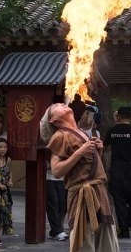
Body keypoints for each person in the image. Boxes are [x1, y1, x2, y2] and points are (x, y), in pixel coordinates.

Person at [43, 103, 118, 252]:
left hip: (99, 191)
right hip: (81, 196)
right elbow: (57, 171)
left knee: (106, 243)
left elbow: (88, 166)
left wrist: (99, 151)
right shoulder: (60, 136)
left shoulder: (81, 132)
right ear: (53, 120)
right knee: (85, 243)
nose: (62, 105)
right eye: (56, 106)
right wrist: (80, 152)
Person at [103, 106, 131, 238]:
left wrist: (102, 166)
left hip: (116, 169)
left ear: (119, 116)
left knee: (119, 200)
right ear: (130, 116)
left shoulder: (111, 131)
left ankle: (124, 230)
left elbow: (103, 148)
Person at [0, 138, 14, 246]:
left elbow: (10, 172)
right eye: (0, 147)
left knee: (3, 215)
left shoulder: (8, 159)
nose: (3, 149)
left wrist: (10, 181)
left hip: (5, 192)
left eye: (5, 147)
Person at [45, 152, 68, 241]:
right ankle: (58, 231)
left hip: (62, 179)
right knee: (53, 205)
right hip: (49, 178)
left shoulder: (64, 147)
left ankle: (54, 231)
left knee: (62, 205)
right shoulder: (48, 149)